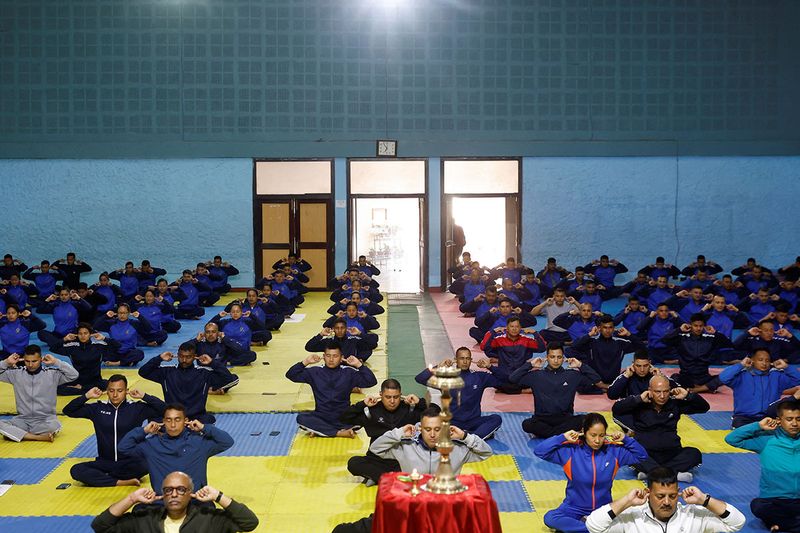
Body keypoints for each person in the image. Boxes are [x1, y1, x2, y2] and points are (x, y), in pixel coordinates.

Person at [534, 413, 649, 533]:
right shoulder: (571, 451)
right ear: (584, 432)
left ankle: (583, 528)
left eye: (602, 435)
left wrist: (626, 439)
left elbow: (642, 456)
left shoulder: (614, 451)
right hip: (574, 507)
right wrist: (562, 437)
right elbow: (540, 451)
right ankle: (591, 529)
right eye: (593, 435)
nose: (597, 440)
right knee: (550, 518)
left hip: (603, 508)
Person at [63, 375, 166, 487]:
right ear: (107, 391)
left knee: (147, 464)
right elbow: (68, 410)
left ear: (126, 391)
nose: (115, 395)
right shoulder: (97, 409)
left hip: (130, 462)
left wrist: (145, 396)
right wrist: (86, 396)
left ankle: (104, 478)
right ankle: (120, 482)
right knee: (76, 470)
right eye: (111, 391)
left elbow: (165, 410)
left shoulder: (137, 408)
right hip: (105, 462)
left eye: (120, 391)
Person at [585, 467, 746, 533]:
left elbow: (737, 522)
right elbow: (593, 525)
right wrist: (626, 501)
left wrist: (704, 500)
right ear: (648, 492)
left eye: (673, 496)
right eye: (660, 496)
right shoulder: (632, 516)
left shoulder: (693, 515)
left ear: (678, 493)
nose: (667, 502)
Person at [117, 404, 234, 495]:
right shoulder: (151, 444)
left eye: (177, 420)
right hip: (163, 502)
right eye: (169, 420)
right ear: (163, 421)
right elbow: (123, 447)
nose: (173, 424)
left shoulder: (199, 442)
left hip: (195, 501)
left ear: (186, 421)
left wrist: (204, 427)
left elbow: (227, 441)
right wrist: (144, 430)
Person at [612, 375, 709, 481]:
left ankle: (651, 473)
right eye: (658, 392)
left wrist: (688, 395)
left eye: (666, 391)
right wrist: (638, 399)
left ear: (670, 390)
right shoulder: (640, 403)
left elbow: (704, 407)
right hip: (645, 453)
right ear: (650, 391)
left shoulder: (675, 403)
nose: (662, 396)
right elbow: (616, 409)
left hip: (671, 453)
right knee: (629, 452)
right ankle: (673, 475)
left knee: (694, 454)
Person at [91, 471, 258, 533]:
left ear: (190, 493)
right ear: (163, 495)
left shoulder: (210, 518)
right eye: (168, 490)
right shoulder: (144, 518)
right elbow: (100, 526)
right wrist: (131, 499)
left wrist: (218, 496)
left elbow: (249, 523)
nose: (174, 494)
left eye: (181, 489)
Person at [724, 399, 800, 533]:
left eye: (798, 419)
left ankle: (779, 524)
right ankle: (790, 524)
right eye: (789, 419)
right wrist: (758, 426)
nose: (794, 423)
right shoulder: (766, 440)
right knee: (757, 506)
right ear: (779, 420)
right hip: (774, 500)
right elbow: (731, 439)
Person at [341, 379, 426, 486]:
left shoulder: (409, 409)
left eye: (396, 397)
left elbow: (436, 414)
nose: (392, 401)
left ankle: (377, 477)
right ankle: (390, 479)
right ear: (380, 395)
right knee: (353, 463)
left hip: (402, 459)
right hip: (376, 459)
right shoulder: (371, 410)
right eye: (388, 397)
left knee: (422, 464)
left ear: (401, 395)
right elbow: (343, 418)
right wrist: (362, 404)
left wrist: (420, 402)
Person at [508, 343, 604, 438]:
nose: (556, 360)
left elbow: (596, 379)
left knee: (585, 419)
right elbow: (512, 378)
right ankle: (560, 434)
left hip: (565, 419)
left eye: (559, 357)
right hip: (542, 419)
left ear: (563, 358)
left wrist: (580, 365)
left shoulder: (572, 375)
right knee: (527, 424)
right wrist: (530, 364)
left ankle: (550, 434)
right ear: (547, 358)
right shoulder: (536, 375)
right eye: (552, 357)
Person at [286, 341, 378, 437]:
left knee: (365, 416)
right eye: (328, 356)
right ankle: (340, 433)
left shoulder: (348, 372)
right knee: (301, 418)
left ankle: (320, 430)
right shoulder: (315, 372)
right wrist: (305, 362)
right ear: (323, 356)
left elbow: (371, 381)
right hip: (322, 416)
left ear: (341, 357)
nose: (331, 359)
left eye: (335, 356)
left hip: (344, 416)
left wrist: (359, 364)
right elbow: (291, 375)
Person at [369, 406, 493, 475]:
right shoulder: (406, 446)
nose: (432, 434)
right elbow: (375, 448)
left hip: (444, 507)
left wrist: (465, 437)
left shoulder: (456, 448)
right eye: (428, 429)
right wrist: (399, 433)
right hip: (414, 505)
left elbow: (486, 452)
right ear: (420, 428)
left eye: (437, 429)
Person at [415, 347, 503, 439]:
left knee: (496, 419)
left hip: (473, 422)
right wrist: (438, 367)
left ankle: (471, 438)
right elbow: (420, 378)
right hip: (452, 422)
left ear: (471, 360)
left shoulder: (479, 377)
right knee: (430, 423)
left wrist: (490, 367)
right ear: (455, 360)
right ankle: (471, 436)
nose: (465, 361)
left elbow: (505, 380)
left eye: (467, 358)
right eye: (462, 358)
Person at [138, 343, 234, 423]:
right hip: (173, 417)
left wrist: (212, 362)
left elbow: (229, 379)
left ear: (195, 356)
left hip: (196, 418)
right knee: (152, 418)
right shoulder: (166, 372)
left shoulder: (204, 373)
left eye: (188, 357)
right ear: (177, 355)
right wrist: (159, 358)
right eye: (181, 356)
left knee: (209, 420)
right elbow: (143, 372)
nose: (184, 360)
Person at [0, 346, 79, 441]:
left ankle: (18, 434)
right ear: (23, 360)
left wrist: (56, 362)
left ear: (41, 359)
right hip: (23, 420)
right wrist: (6, 362)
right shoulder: (16, 374)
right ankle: (38, 437)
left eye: (34, 361)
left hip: (46, 420)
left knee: (55, 425)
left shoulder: (52, 374)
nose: (30, 364)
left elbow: (74, 375)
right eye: (27, 361)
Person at [718, 349, 800, 428]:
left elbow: (798, 379)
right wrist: (741, 364)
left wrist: (786, 367)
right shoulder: (741, 376)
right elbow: (723, 377)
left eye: (767, 360)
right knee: (742, 437)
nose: (764, 363)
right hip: (744, 418)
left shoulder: (776, 376)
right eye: (760, 360)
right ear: (752, 360)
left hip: (770, 417)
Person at [570, 314, 644, 393]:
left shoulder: (620, 343)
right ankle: (607, 388)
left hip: (613, 380)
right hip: (595, 381)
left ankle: (603, 389)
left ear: (613, 329)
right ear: (599, 328)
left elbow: (642, 347)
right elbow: (574, 347)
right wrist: (589, 334)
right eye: (605, 327)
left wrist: (629, 334)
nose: (608, 330)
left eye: (610, 327)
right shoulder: (591, 342)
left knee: (633, 380)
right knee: (579, 383)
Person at [661, 313, 730, 393]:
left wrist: (715, 333)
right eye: (695, 326)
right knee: (674, 378)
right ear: (690, 325)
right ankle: (704, 388)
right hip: (686, 377)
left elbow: (728, 344)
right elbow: (664, 340)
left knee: (723, 377)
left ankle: (695, 389)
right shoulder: (682, 337)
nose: (698, 328)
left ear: (704, 326)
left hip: (704, 377)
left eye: (701, 326)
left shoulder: (710, 339)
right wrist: (679, 330)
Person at [480, 316, 546, 393]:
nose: (514, 329)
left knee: (538, 377)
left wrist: (535, 333)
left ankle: (507, 389)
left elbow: (542, 348)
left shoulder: (526, 340)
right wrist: (492, 332)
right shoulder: (499, 340)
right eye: (511, 326)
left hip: (520, 375)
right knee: (493, 380)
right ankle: (521, 390)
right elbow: (483, 347)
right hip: (503, 375)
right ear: (507, 328)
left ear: (521, 328)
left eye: (517, 326)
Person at [55, 323, 120, 395]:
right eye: (80, 333)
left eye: (85, 333)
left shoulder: (99, 346)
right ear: (77, 335)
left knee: (115, 385)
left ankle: (81, 389)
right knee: (57, 388)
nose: (83, 336)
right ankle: (88, 389)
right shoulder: (72, 347)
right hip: (78, 380)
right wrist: (65, 339)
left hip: (96, 381)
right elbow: (54, 348)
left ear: (90, 334)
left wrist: (104, 338)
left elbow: (118, 346)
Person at [37, 287, 91, 351]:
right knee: (41, 333)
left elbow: (89, 308)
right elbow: (39, 310)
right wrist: (48, 299)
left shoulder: (75, 304)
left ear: (69, 295)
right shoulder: (55, 305)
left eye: (66, 294)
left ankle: (58, 344)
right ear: (59, 296)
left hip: (71, 334)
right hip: (57, 334)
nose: (64, 297)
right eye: (62, 295)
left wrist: (79, 298)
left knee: (81, 336)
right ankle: (61, 343)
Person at [305, 318, 377, 361]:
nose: (339, 330)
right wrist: (320, 335)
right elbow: (309, 347)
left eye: (342, 328)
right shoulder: (328, 341)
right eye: (337, 328)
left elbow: (373, 344)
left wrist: (360, 333)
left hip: (350, 369)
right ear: (333, 329)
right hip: (332, 370)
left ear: (346, 329)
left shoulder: (353, 340)